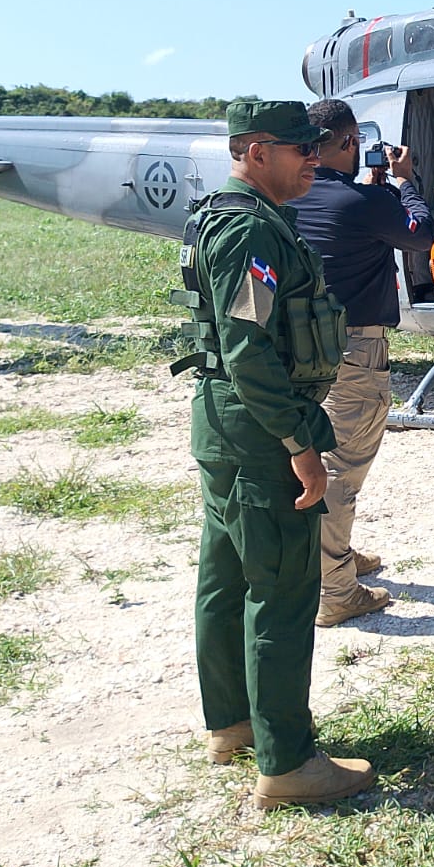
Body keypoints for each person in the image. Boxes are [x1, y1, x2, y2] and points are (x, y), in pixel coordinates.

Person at [171, 100, 375, 810]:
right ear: (256, 152)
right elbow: (246, 346)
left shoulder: (228, 216)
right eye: (301, 150)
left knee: (226, 580)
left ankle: (233, 725)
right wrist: (301, 444)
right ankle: (288, 764)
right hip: (261, 428)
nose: (315, 160)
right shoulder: (251, 229)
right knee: (283, 594)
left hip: (228, 424)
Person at [293, 98, 434, 628]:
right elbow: (421, 233)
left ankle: (332, 559)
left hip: (299, 347)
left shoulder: (292, 197)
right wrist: (404, 184)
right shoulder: (365, 200)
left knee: (306, 459)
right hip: (353, 350)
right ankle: (334, 591)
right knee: (340, 469)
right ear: (349, 143)